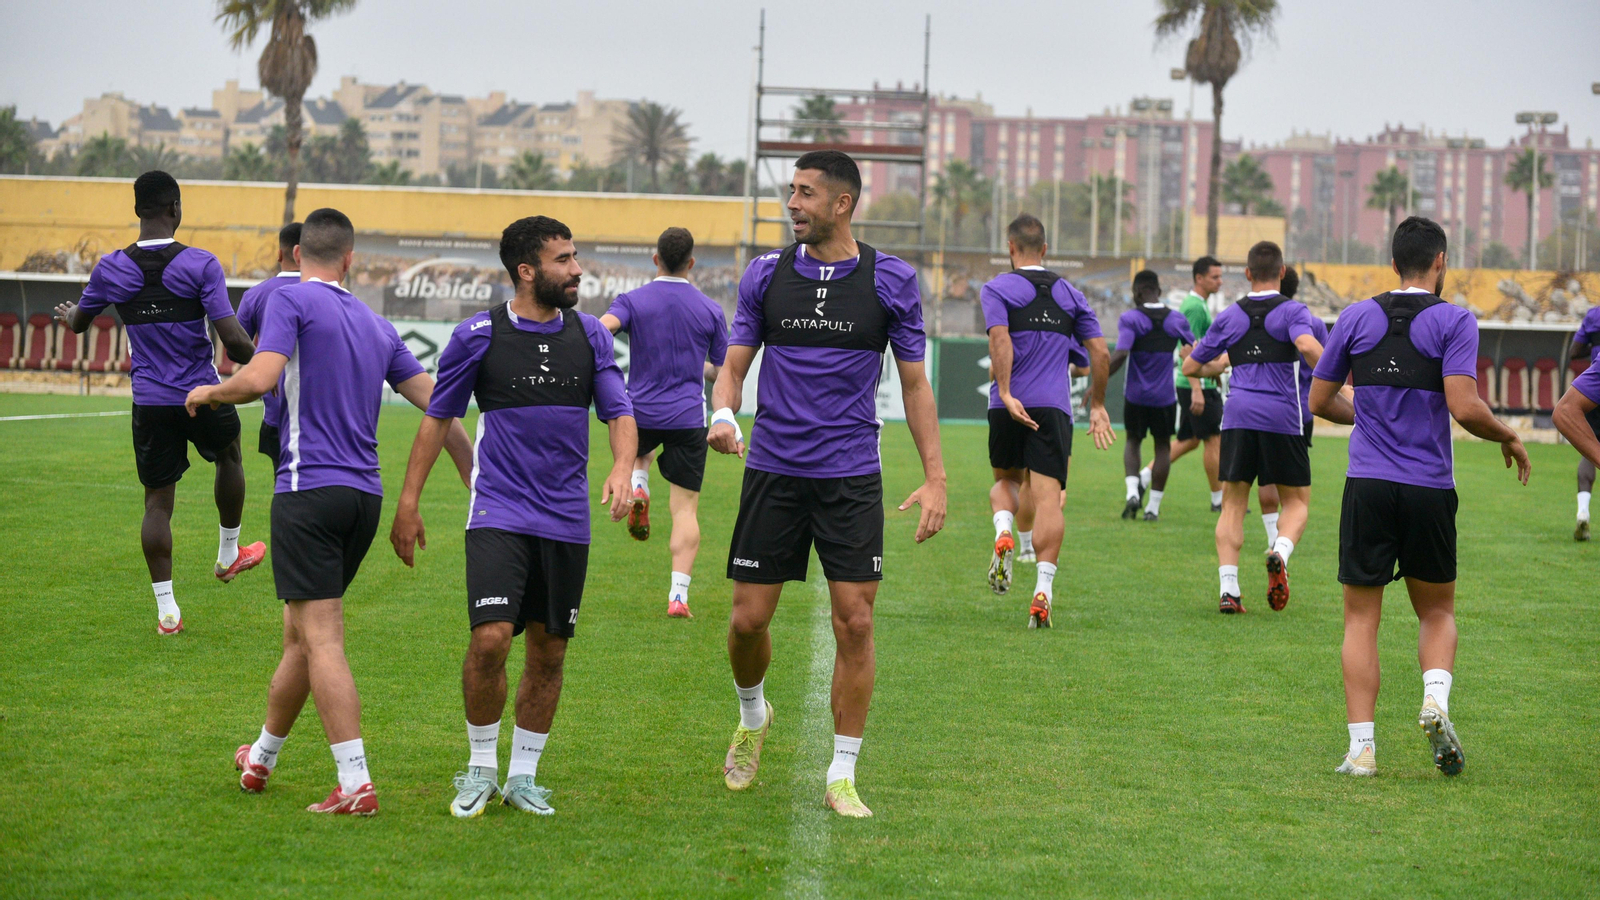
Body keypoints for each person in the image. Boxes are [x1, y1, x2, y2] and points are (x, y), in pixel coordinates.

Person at [192, 207, 474, 815]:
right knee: (300, 634)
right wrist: (472, 474)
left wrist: (211, 391)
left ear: (298, 257)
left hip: (307, 492)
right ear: (349, 260)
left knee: (320, 636)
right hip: (363, 502)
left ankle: (355, 784)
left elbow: (262, 375)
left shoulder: (290, 302)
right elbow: (439, 403)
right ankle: (260, 761)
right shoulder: (378, 325)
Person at [708, 150, 947, 818]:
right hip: (774, 471)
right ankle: (753, 716)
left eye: (806, 193)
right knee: (746, 621)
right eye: (792, 191)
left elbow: (917, 384)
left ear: (842, 204)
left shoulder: (891, 280)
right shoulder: (766, 276)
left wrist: (936, 477)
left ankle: (842, 773)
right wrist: (723, 412)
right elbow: (730, 367)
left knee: (856, 623)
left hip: (850, 476)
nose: (793, 203)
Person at [390, 216, 636, 818]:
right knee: (492, 638)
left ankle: (523, 775)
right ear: (527, 271)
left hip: (566, 520)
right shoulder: (477, 335)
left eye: (576, 257)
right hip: (498, 510)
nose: (577, 270)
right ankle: (478, 767)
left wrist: (623, 465)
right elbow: (437, 419)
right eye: (563, 259)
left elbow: (620, 413)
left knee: (550, 652)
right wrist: (408, 501)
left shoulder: (591, 337)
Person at [1311, 216, 1530, 777]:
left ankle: (1361, 751)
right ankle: (1434, 700)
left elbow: (1319, 400)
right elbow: (1463, 405)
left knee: (1361, 620)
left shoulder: (1356, 316)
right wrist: (1507, 433)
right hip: (1429, 488)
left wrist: (1366, 416)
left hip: (1369, 486)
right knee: (1436, 609)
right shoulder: (1455, 320)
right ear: (1441, 263)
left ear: (1392, 264)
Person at [53, 170, 264, 635]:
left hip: (149, 401)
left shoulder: (110, 268)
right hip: (202, 394)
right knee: (229, 455)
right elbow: (231, 338)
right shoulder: (201, 264)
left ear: (137, 211)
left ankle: (167, 612)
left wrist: (71, 314)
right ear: (175, 209)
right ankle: (229, 554)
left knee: (157, 504)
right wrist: (274, 363)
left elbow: (81, 323)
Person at [984, 214, 1113, 622]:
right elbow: (1100, 354)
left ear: (1010, 248)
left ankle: (1004, 531)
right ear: (1044, 249)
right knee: (1048, 500)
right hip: (1054, 408)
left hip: (1008, 405)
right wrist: (1097, 405)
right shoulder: (1072, 294)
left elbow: (1000, 339)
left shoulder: (997, 287)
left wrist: (1006, 393)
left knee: (1006, 481)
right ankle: (1043, 590)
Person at [1183, 241, 1323, 614]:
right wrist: (1336, 376)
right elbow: (1307, 345)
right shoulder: (1293, 310)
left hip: (1238, 417)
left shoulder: (1230, 316)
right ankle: (1279, 552)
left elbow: (1192, 367)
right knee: (1296, 503)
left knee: (1232, 505)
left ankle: (1229, 590)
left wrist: (1217, 366)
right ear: (1281, 273)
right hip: (1282, 418)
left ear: (1246, 274)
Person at [600, 226, 728, 618]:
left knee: (640, 453)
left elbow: (602, 329)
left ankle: (639, 485)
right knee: (685, 511)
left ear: (656, 259)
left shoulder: (633, 300)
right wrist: (697, 368)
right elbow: (723, 373)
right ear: (691, 263)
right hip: (688, 417)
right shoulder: (710, 309)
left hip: (639, 412)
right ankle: (678, 597)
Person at [1255, 266, 1338, 547]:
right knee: (1295, 490)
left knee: (1266, 475)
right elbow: (1326, 365)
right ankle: (1280, 545)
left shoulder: (1260, 320)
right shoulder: (1312, 323)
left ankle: (1271, 539)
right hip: (1302, 411)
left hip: (1265, 410)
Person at [1109, 269, 1195, 523]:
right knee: (1162, 448)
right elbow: (1194, 350)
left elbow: (1122, 353)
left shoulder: (1131, 319)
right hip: (1164, 397)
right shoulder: (1176, 319)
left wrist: (1099, 380)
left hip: (1135, 396)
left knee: (1133, 441)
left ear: (1136, 292)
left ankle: (1132, 492)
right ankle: (1153, 509)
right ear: (1159, 291)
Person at [1142, 256, 1225, 511]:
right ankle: (1218, 500)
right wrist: (1198, 389)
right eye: (1215, 277)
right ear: (1199, 278)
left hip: (1196, 384)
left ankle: (1145, 476)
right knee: (1214, 439)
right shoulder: (1194, 307)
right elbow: (1188, 349)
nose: (1220, 281)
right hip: (1196, 387)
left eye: (1220, 276)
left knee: (1190, 440)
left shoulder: (1197, 305)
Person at [1015, 338, 1090, 564]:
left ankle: (1026, 547)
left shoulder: (1018, 319)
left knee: (1025, 481)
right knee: (1055, 489)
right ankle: (1045, 556)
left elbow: (993, 369)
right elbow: (1084, 368)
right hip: (1057, 409)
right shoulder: (1065, 323)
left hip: (1022, 404)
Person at [235, 222, 302, 475]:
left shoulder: (256, 295)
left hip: (277, 409)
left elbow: (235, 346)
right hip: (321, 413)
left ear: (280, 254)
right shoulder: (332, 294)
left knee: (283, 483)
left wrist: (263, 364)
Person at [1565, 305, 1600, 540]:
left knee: (1590, 450)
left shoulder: (1594, 315)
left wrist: (1592, 346)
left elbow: (1574, 351)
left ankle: (1583, 512)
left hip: (1595, 391)